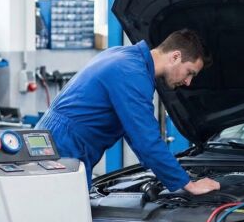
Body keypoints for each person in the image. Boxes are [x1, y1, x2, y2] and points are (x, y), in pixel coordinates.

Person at [36, 29, 220, 195]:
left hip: (57, 143)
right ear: (175, 57)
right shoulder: (132, 74)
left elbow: (138, 138)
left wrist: (166, 171)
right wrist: (189, 184)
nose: (188, 82)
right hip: (64, 148)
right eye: (190, 72)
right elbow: (147, 141)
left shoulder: (123, 56)